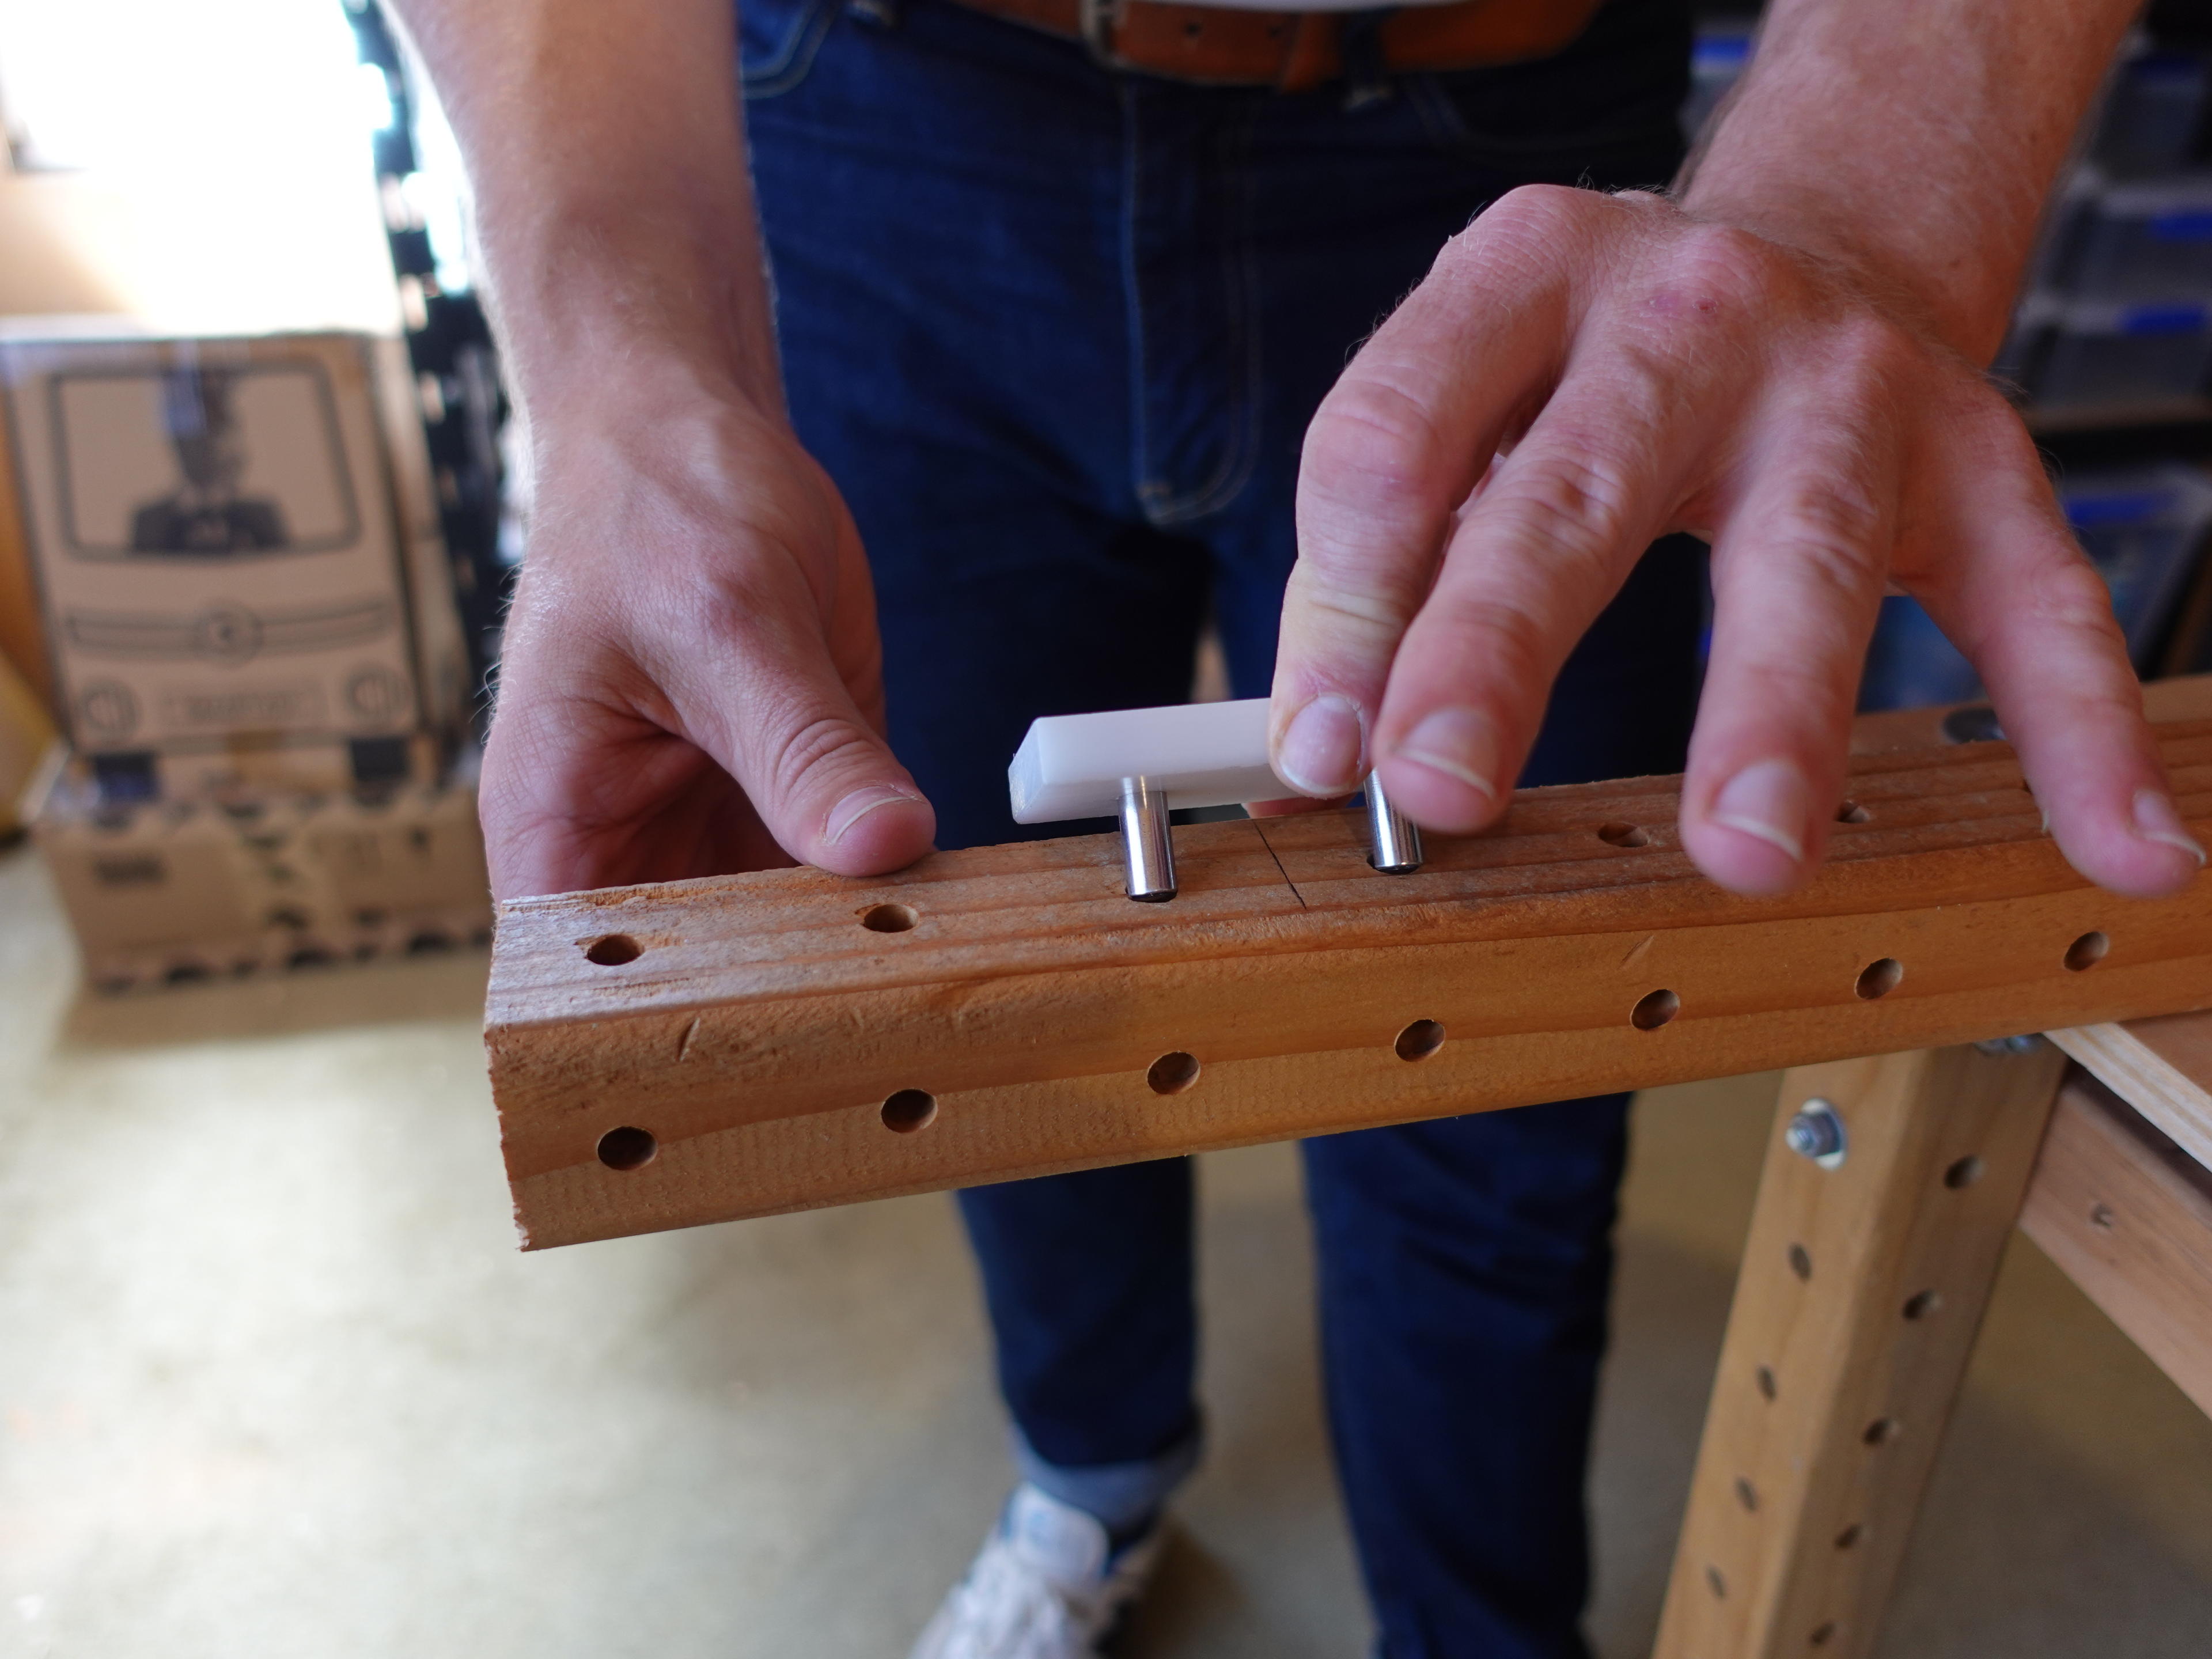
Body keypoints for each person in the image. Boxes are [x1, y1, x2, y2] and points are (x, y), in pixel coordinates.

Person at [395, 0, 2205, 1652]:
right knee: (986, 994)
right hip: (874, 121)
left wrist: (1861, 198)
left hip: (1510, 133)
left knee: (1505, 1063)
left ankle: (1476, 1624)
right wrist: (614, 354)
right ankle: (1088, 1480)